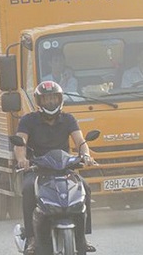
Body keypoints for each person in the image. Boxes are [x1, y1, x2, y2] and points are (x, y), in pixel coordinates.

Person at [14, 81, 96, 254]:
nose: (50, 102)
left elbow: (80, 142)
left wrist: (86, 155)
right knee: (28, 189)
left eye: (53, 98)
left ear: (60, 99)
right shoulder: (28, 120)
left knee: (85, 188)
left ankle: (83, 237)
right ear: (39, 101)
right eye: (46, 99)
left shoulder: (68, 119)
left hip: (64, 169)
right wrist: (22, 160)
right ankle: (31, 238)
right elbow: (20, 143)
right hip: (37, 170)